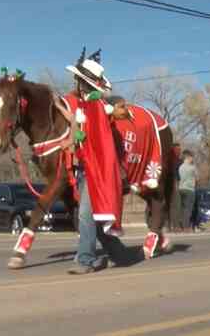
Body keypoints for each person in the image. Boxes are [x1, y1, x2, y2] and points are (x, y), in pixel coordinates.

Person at [61, 50, 129, 275]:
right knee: (94, 214)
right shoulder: (85, 107)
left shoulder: (97, 106)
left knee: (85, 214)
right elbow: (84, 136)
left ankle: (86, 260)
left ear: (83, 83)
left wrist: (79, 141)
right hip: (86, 167)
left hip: (95, 170)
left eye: (77, 80)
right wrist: (74, 142)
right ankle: (117, 252)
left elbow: (97, 142)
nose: (75, 83)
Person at [178, 150, 197, 233]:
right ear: (188, 157)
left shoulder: (180, 167)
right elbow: (197, 178)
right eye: (191, 157)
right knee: (188, 209)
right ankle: (186, 227)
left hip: (181, 189)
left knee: (182, 208)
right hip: (190, 189)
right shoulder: (192, 167)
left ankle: (180, 226)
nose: (192, 159)